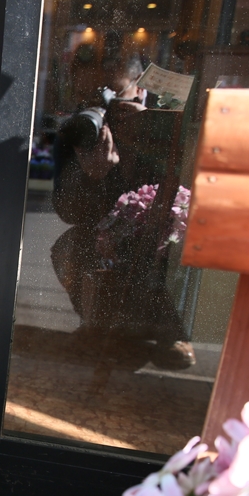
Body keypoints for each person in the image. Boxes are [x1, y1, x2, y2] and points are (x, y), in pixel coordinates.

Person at [50, 54, 195, 369]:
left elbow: (186, 185)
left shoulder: (163, 130)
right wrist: (94, 175)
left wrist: (149, 131)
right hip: (110, 234)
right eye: (95, 98)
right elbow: (68, 212)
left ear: (140, 91)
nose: (108, 107)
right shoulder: (83, 133)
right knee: (69, 247)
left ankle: (171, 333)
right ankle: (96, 325)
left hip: (160, 231)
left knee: (173, 249)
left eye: (116, 96)